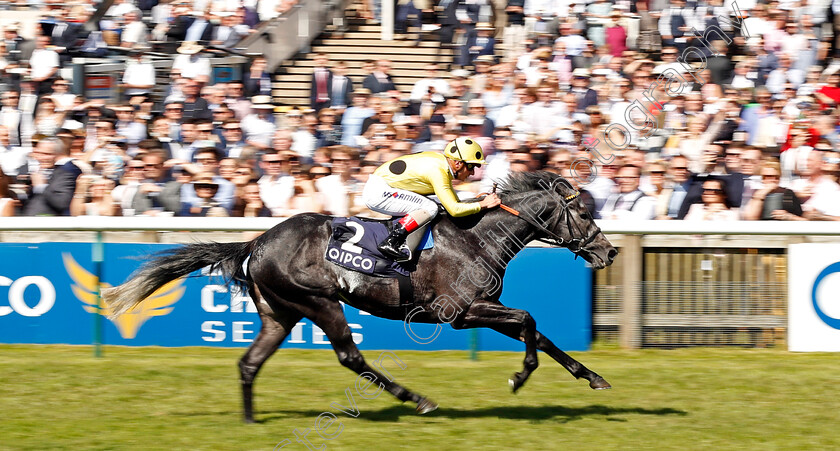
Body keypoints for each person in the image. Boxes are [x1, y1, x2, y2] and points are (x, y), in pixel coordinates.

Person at [361, 137, 500, 260]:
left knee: (436, 205)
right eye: (471, 166)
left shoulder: (441, 165)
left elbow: (453, 201)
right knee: (430, 207)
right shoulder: (438, 171)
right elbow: (455, 210)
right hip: (379, 192)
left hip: (383, 188)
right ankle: (392, 242)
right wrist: (483, 204)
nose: (473, 173)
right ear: (458, 163)